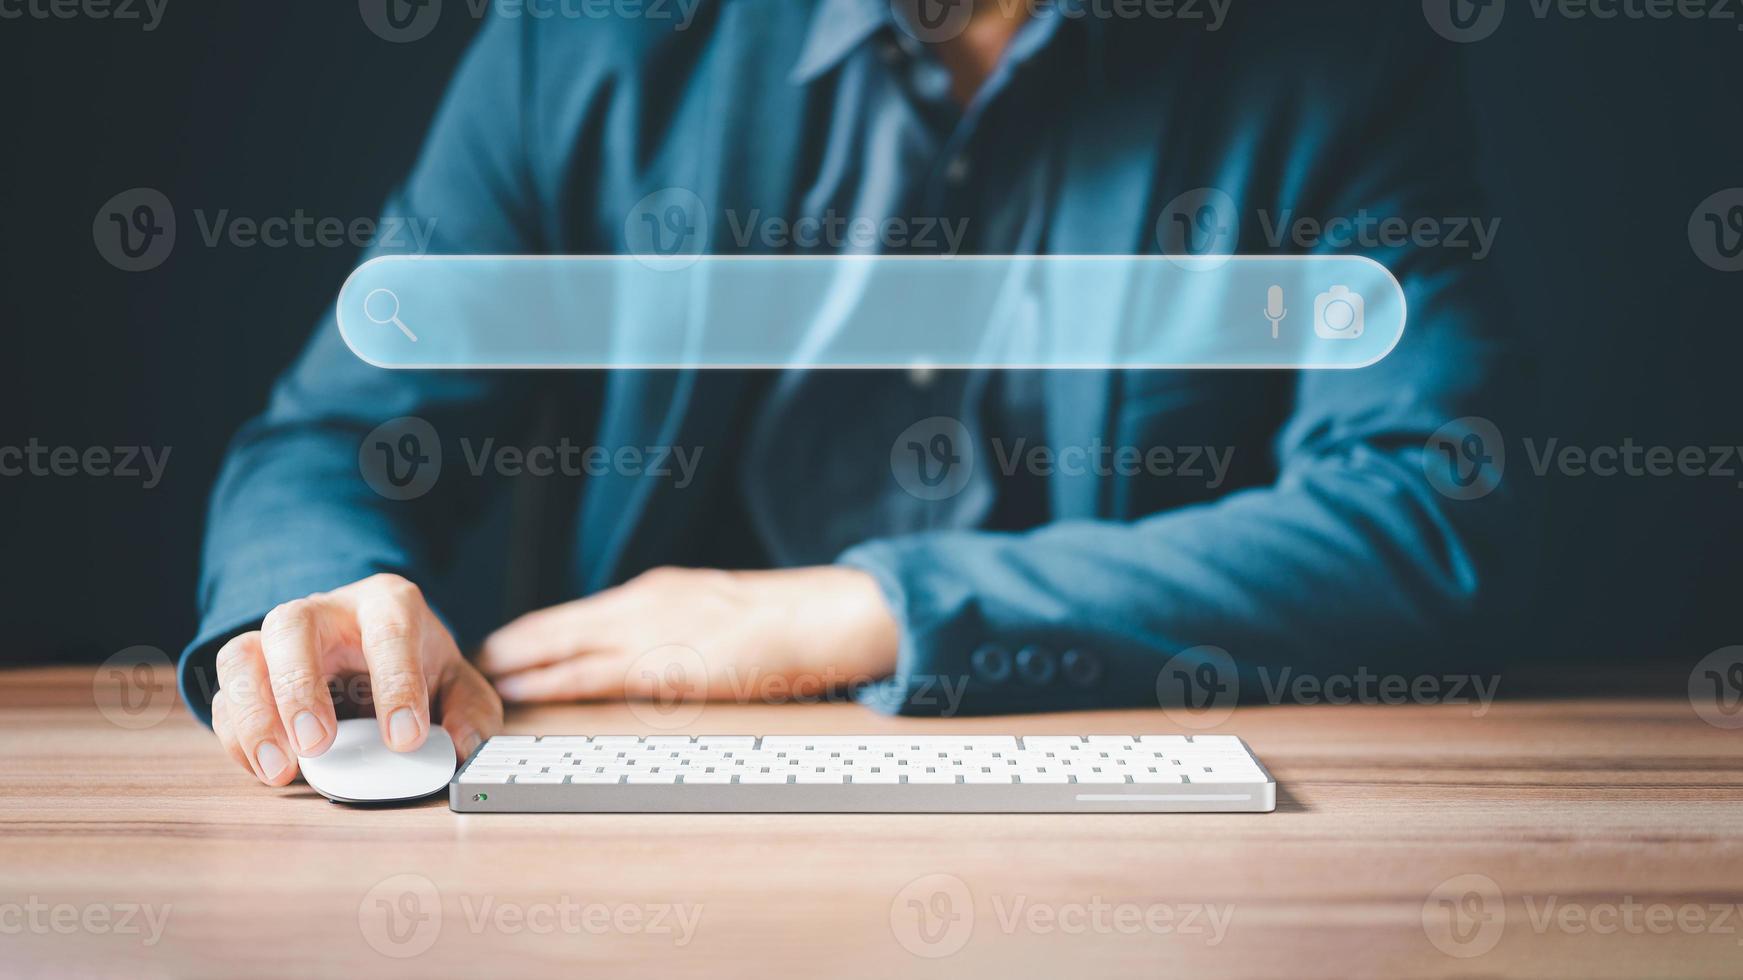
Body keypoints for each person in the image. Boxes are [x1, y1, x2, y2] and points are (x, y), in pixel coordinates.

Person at [182, 0, 1529, 787]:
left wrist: (876, 608)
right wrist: (330, 602)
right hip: (640, 834)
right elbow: (341, 436)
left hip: (1133, 812)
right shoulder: (585, 41)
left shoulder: (1338, 54)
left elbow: (1424, 514)